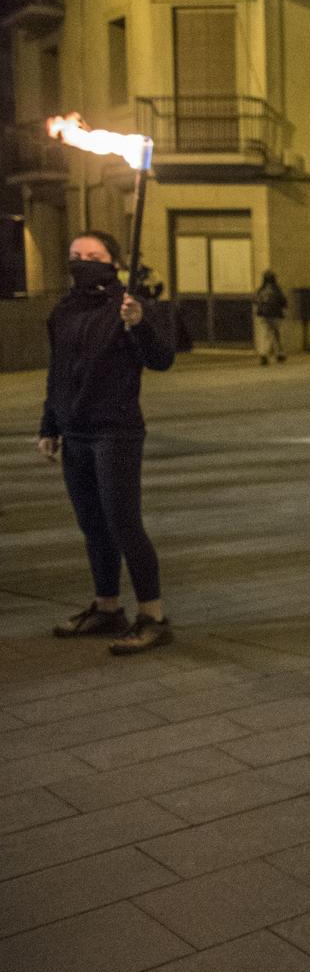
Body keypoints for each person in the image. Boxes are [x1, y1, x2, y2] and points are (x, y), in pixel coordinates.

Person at [38, 230, 178, 654]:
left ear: (114, 261)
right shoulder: (63, 311)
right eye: (75, 255)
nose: (83, 261)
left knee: (123, 524)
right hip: (74, 430)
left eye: (93, 255)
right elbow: (58, 370)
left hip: (114, 430)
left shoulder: (129, 306)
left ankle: (152, 615)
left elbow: (161, 359)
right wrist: (50, 425)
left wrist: (139, 324)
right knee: (93, 525)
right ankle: (107, 606)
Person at [253, 269, 288, 365]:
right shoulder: (277, 290)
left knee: (266, 335)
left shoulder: (261, 290)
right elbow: (284, 302)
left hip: (263, 316)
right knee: (276, 334)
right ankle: (277, 354)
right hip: (276, 315)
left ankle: (266, 354)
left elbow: (256, 301)